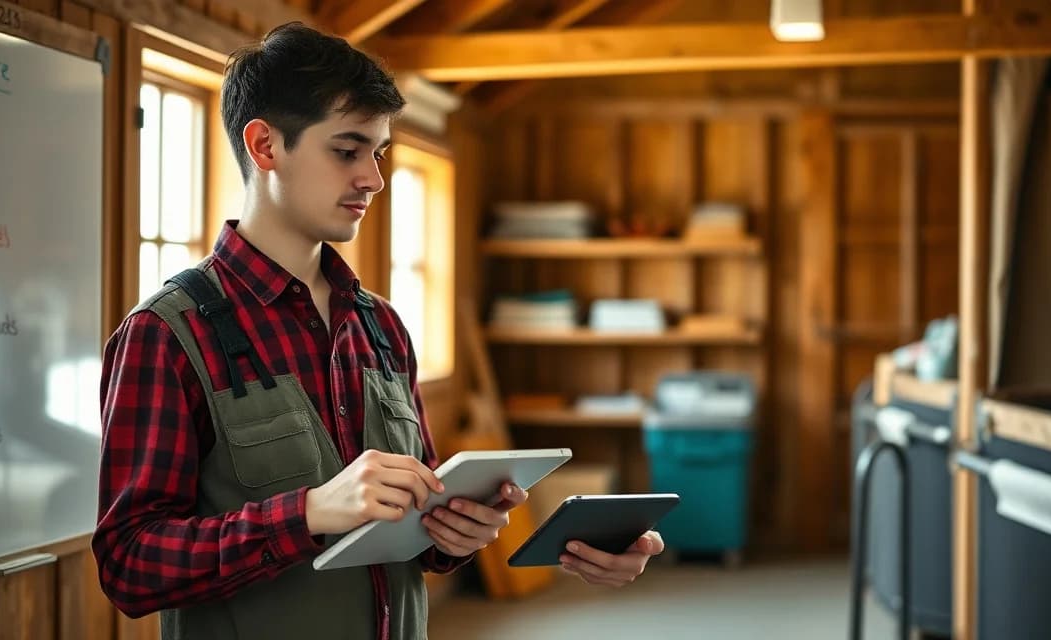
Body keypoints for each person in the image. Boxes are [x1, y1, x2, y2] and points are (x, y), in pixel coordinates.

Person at [93, 22, 664, 640]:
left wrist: (458, 532)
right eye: (347, 150)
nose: (374, 177)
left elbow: (420, 534)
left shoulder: (381, 325)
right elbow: (129, 565)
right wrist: (308, 513)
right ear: (264, 146)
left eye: (378, 153)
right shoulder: (164, 335)